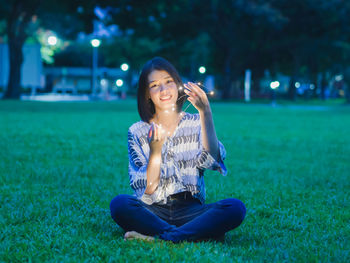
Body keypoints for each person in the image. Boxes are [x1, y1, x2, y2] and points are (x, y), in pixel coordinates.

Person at [110, 57, 246, 243]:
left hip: (191, 209)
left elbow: (213, 160)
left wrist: (205, 112)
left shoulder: (195, 123)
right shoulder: (137, 131)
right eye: (155, 85)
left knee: (235, 208)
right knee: (120, 204)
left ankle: (161, 237)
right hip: (153, 210)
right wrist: (155, 152)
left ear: (177, 84)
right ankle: (194, 233)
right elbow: (147, 189)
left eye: (168, 82)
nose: (163, 90)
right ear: (147, 94)